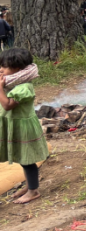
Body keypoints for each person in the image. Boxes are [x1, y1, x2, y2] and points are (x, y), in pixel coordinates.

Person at [0, 49, 45, 204]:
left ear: (17, 68)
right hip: (15, 125)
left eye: (4, 67)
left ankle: (33, 191)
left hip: (23, 127)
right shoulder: (13, 84)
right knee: (22, 158)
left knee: (27, 159)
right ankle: (29, 185)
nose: (1, 69)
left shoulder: (23, 87)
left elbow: (7, 105)